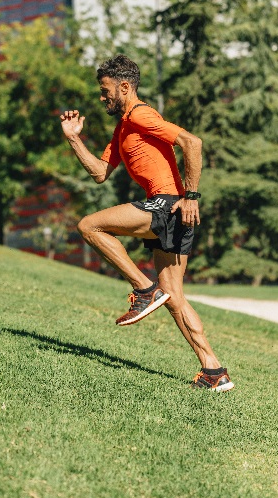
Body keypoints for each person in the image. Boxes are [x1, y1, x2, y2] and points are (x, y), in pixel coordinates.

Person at [59, 54, 233, 392]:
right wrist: (73, 137)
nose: (101, 97)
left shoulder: (140, 115)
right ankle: (214, 371)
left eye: (105, 90)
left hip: (168, 204)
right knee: (174, 298)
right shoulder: (123, 126)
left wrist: (191, 196)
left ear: (124, 87)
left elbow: (191, 142)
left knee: (89, 225)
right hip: (172, 211)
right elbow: (99, 173)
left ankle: (143, 288)